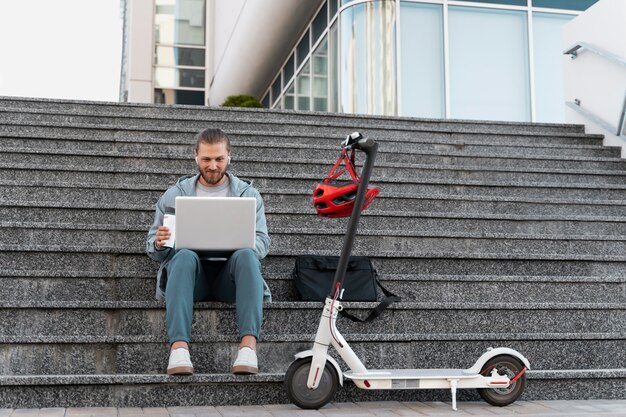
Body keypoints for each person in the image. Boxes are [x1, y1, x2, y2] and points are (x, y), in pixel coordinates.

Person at [146, 128, 271, 376]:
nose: (213, 166)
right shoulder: (174, 195)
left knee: (246, 255)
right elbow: (152, 246)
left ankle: (248, 348)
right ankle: (179, 349)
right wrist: (159, 243)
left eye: (219, 159)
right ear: (195, 156)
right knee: (182, 255)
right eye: (206, 159)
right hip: (191, 279)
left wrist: (240, 241)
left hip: (231, 279)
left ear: (229, 157)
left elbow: (262, 243)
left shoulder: (248, 195)